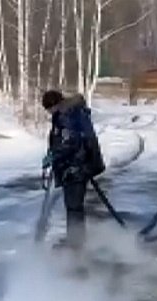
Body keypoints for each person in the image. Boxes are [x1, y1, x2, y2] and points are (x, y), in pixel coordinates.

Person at [41, 89, 105, 249]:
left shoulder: (66, 115)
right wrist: (52, 151)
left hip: (76, 167)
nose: (48, 112)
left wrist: (55, 155)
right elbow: (63, 139)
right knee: (73, 206)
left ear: (53, 105)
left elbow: (70, 143)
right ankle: (75, 240)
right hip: (76, 166)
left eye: (48, 109)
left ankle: (76, 245)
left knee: (74, 206)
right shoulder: (69, 113)